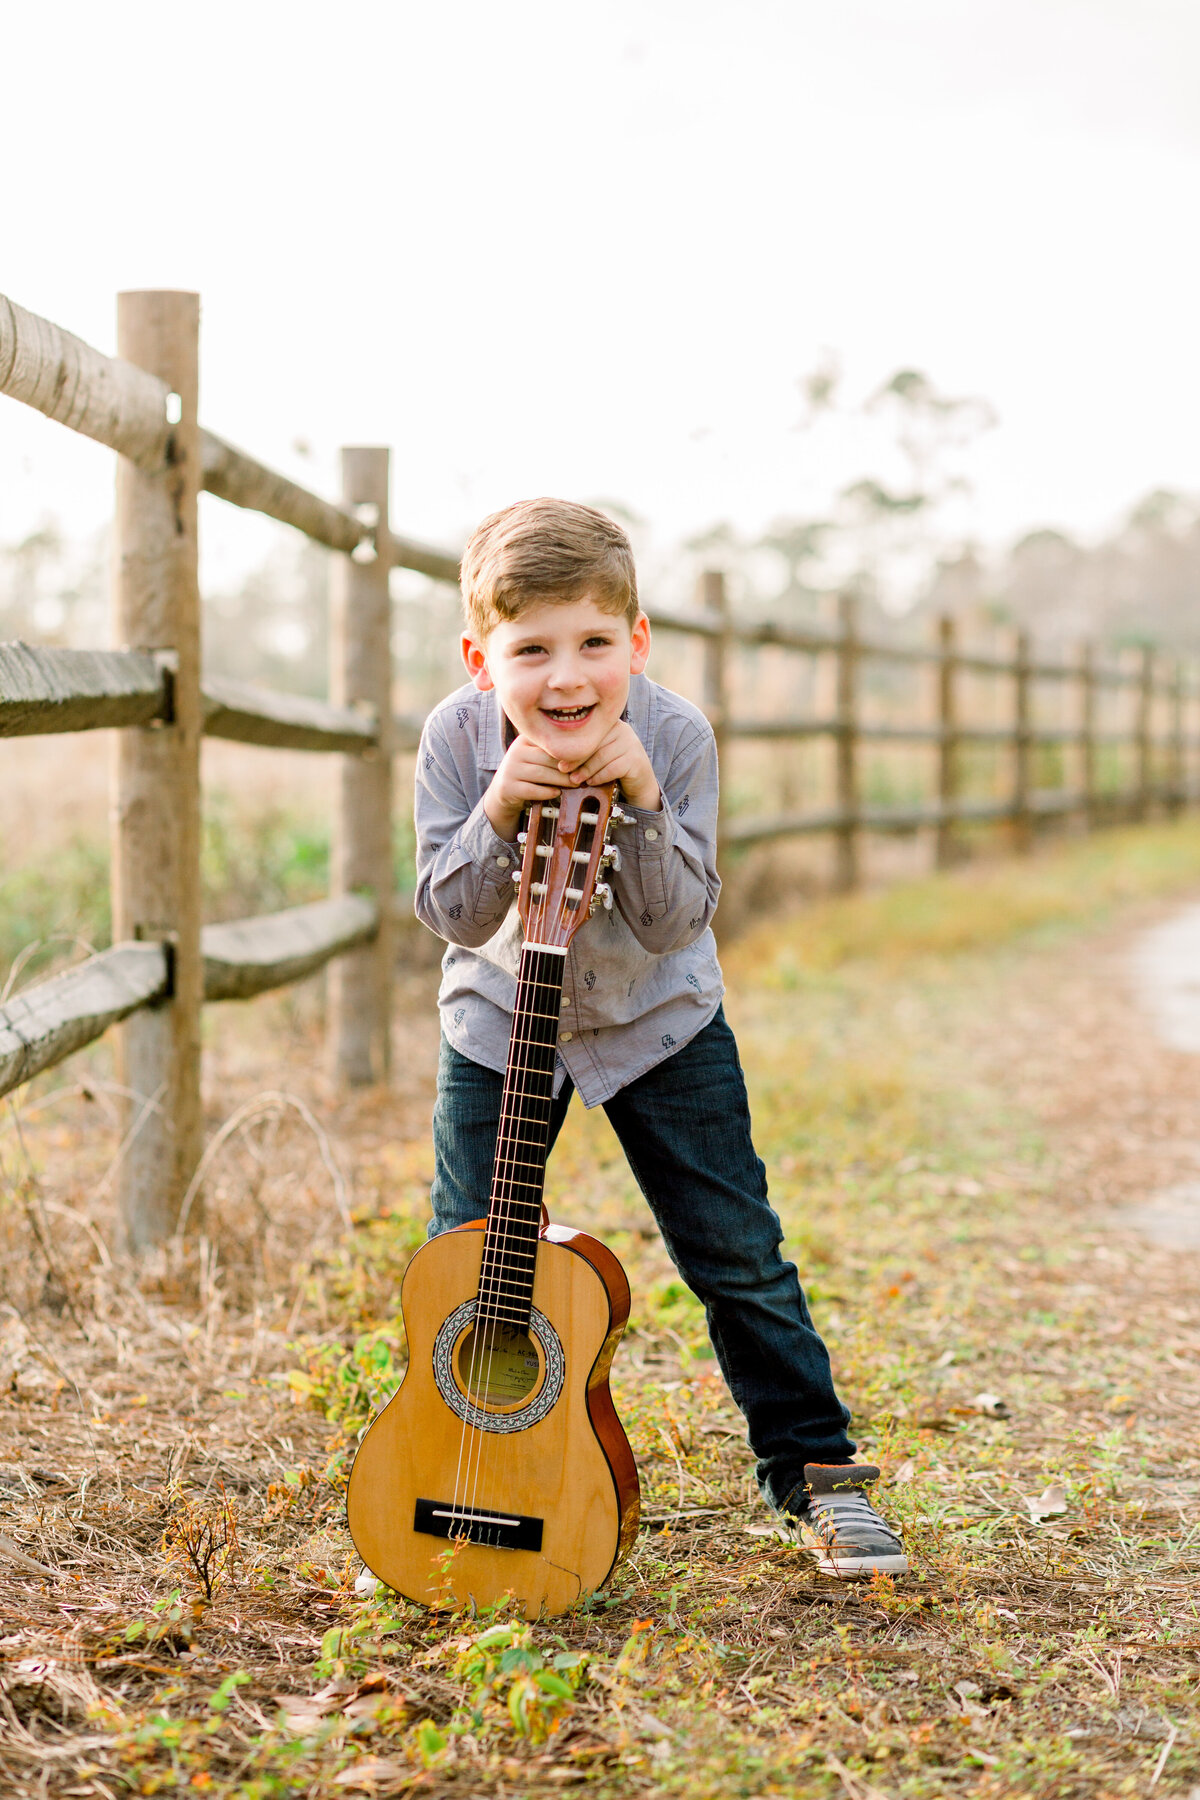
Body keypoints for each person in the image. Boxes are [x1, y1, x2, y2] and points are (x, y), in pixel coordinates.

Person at [412, 497, 906, 1580]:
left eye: (594, 642)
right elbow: (448, 913)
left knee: (736, 1253)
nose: (567, 677)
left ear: (636, 641)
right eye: (530, 649)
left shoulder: (676, 738)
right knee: (469, 1264)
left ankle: (819, 1476)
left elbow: (675, 921)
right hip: (500, 1023)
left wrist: (638, 800)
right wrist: (497, 810)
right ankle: (464, 1481)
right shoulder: (454, 740)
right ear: (479, 658)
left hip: (657, 1025)